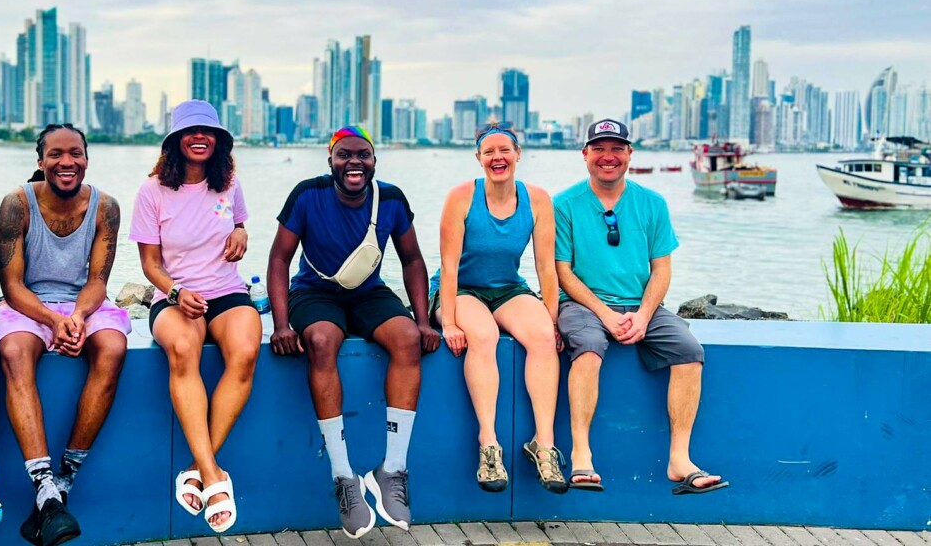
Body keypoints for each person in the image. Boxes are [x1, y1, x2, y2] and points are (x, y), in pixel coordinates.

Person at [267, 126, 441, 540]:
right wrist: (280, 324)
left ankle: (392, 469)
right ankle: (345, 478)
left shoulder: (392, 199)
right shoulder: (307, 195)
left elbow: (413, 259)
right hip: (314, 293)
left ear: (374, 160)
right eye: (344, 155)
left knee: (407, 340)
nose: (354, 163)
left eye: (363, 154)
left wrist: (422, 318)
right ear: (330, 161)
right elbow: (279, 259)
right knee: (323, 341)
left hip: (369, 293)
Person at [554, 119, 727, 495]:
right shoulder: (563, 205)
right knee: (588, 348)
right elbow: (562, 273)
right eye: (599, 149)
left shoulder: (652, 204)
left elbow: (662, 269)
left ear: (630, 155)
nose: (608, 157)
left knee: (689, 351)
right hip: (584, 304)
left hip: (641, 304)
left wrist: (644, 316)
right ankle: (581, 455)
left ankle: (680, 460)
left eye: (616, 149)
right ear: (585, 155)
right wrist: (606, 314)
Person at [0, 124, 129, 545]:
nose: (66, 162)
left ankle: (62, 483)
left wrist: (80, 317)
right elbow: (12, 285)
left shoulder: (106, 207)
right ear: (40, 161)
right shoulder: (17, 204)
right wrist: (53, 321)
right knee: (15, 351)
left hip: (82, 302)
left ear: (87, 158)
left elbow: (98, 280)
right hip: (27, 303)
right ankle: (44, 482)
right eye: (55, 154)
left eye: (75, 154)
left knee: (113, 347)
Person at [130, 100, 259, 534]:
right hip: (174, 294)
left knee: (244, 351)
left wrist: (241, 232)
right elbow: (149, 264)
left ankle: (197, 469)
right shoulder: (152, 192)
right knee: (183, 348)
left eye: (208, 132)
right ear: (175, 142)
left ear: (219, 140)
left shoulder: (230, 183)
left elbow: (239, 225)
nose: (200, 138)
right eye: (190, 132)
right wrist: (175, 291)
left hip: (226, 291)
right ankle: (215, 479)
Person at [434, 123, 566, 494]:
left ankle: (544, 445)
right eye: (489, 152)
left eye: (504, 150)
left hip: (509, 288)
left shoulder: (538, 199)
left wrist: (552, 320)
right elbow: (449, 264)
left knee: (540, 338)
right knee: (484, 335)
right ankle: (489, 445)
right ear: (479, 159)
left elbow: (545, 267)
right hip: (462, 289)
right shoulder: (461, 197)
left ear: (518, 154)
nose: (498, 158)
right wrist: (448, 323)